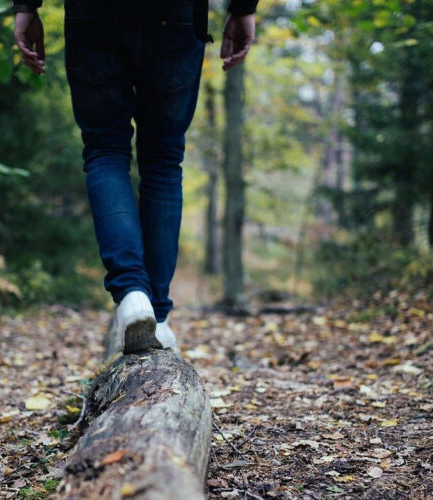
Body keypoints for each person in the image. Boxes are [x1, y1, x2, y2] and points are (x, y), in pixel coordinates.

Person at [13, 0, 257, 354]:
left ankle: (132, 296)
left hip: (92, 14)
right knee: (162, 161)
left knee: (106, 150)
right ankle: (156, 315)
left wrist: (25, 6)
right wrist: (244, 8)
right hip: (176, 14)